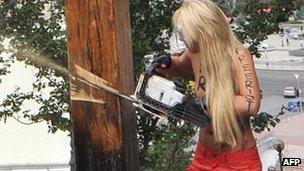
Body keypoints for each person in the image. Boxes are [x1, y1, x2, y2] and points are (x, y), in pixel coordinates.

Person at [154, 0, 262, 170]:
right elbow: (181, 67)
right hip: (203, 156)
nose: (183, 37)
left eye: (185, 31)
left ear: (204, 29)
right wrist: (167, 64)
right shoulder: (195, 53)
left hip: (237, 160)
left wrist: (206, 104)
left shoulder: (237, 54)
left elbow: (250, 104)